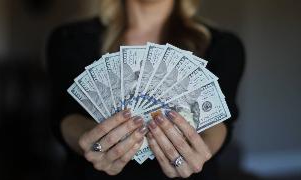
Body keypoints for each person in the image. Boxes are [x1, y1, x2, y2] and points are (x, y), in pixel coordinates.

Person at [46, 0, 245, 179]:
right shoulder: (70, 39)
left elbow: (221, 120)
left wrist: (201, 149)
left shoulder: (223, 46)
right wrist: (92, 140)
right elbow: (65, 114)